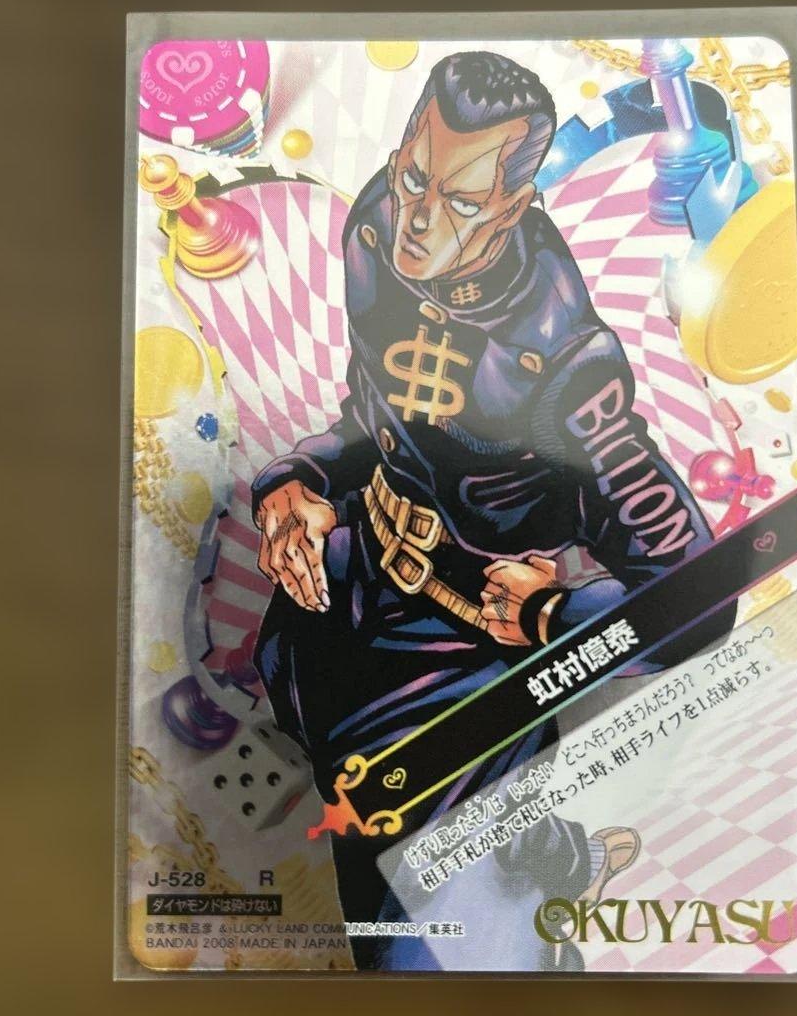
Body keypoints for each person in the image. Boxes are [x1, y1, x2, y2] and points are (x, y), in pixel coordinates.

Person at [251, 51, 734, 969]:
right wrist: (296, 482)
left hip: (459, 663)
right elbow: (373, 417)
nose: (417, 222)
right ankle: (556, 857)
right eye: (413, 178)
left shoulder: (566, 370)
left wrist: (552, 616)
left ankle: (543, 881)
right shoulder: (375, 228)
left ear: (515, 206)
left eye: (463, 202)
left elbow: (699, 599)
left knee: (418, 960)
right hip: (342, 594)